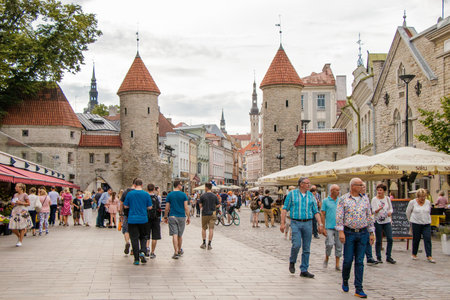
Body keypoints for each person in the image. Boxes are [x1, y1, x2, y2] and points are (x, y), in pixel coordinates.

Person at [336, 178, 375, 298]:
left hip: (363, 233)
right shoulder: (344, 199)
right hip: (349, 232)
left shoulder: (365, 199)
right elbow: (339, 217)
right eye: (360, 185)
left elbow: (369, 215)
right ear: (353, 186)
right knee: (348, 260)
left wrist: (371, 232)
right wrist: (341, 232)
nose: (362, 187)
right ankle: (345, 280)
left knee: (359, 261)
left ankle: (359, 288)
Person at [280, 177, 324, 278]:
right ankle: (292, 261)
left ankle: (304, 269)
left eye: (309, 183)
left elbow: (315, 211)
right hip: (296, 222)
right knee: (296, 244)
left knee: (307, 247)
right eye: (307, 183)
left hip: (308, 223)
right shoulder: (292, 194)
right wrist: (282, 223)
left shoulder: (311, 196)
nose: (309, 185)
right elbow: (285, 208)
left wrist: (320, 224)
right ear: (301, 184)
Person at [124, 179, 152, 265]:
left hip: (132, 219)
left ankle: (136, 259)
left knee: (134, 238)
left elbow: (125, 206)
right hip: (143, 219)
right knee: (143, 236)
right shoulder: (146, 194)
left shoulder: (130, 194)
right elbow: (150, 207)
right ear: (142, 185)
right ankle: (142, 252)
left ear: (134, 185)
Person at [406, 188, 435, 263]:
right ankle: (414, 254)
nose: (423, 198)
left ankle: (429, 255)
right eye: (421, 197)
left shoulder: (428, 202)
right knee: (416, 238)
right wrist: (410, 220)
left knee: (427, 238)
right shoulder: (412, 202)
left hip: (426, 223)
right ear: (418, 196)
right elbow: (408, 212)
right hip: (416, 223)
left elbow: (429, 211)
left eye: (424, 196)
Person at [164, 180, 190, 259]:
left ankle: (175, 252)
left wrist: (165, 217)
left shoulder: (170, 195)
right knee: (180, 235)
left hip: (172, 216)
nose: (181, 186)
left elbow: (167, 208)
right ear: (178, 185)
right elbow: (186, 207)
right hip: (181, 216)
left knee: (174, 234)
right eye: (181, 185)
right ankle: (179, 250)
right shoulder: (183, 195)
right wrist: (188, 217)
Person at [371, 183, 396, 264]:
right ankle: (378, 257)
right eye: (378, 190)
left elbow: (391, 208)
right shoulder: (374, 199)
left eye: (381, 190)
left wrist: (390, 212)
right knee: (378, 240)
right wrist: (378, 209)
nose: (379, 191)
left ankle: (389, 256)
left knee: (390, 238)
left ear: (384, 191)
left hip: (387, 221)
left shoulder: (387, 199)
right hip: (378, 221)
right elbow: (373, 211)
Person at [321, 184, 342, 271]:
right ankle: (327, 257)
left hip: (339, 226)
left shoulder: (340, 201)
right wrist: (323, 226)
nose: (338, 192)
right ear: (332, 191)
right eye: (337, 190)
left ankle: (337, 264)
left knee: (339, 245)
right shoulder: (325, 201)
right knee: (329, 243)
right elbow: (322, 213)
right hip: (329, 226)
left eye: (339, 190)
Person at [199, 183, 220, 250]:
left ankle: (204, 243)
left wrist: (204, 206)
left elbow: (200, 205)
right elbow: (218, 205)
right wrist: (214, 207)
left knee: (204, 228)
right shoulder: (214, 196)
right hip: (212, 214)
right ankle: (209, 244)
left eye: (205, 187)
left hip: (205, 213)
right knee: (211, 229)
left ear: (206, 188)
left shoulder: (203, 195)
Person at [361, 183, 378, 266]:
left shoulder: (366, 198)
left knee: (368, 240)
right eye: (362, 186)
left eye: (364, 187)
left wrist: (371, 228)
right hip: (357, 225)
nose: (363, 188)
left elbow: (369, 212)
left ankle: (369, 257)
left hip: (366, 223)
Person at [120, 179, 137, 255]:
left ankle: (127, 242)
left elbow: (121, 203)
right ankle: (133, 249)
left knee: (126, 230)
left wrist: (121, 213)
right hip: (136, 214)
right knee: (134, 232)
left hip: (127, 214)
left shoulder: (126, 192)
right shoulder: (139, 192)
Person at [146, 184, 161, 259]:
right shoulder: (157, 197)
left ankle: (147, 248)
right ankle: (152, 252)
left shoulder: (145, 197)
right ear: (154, 189)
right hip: (155, 218)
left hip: (147, 218)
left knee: (146, 235)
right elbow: (159, 207)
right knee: (155, 236)